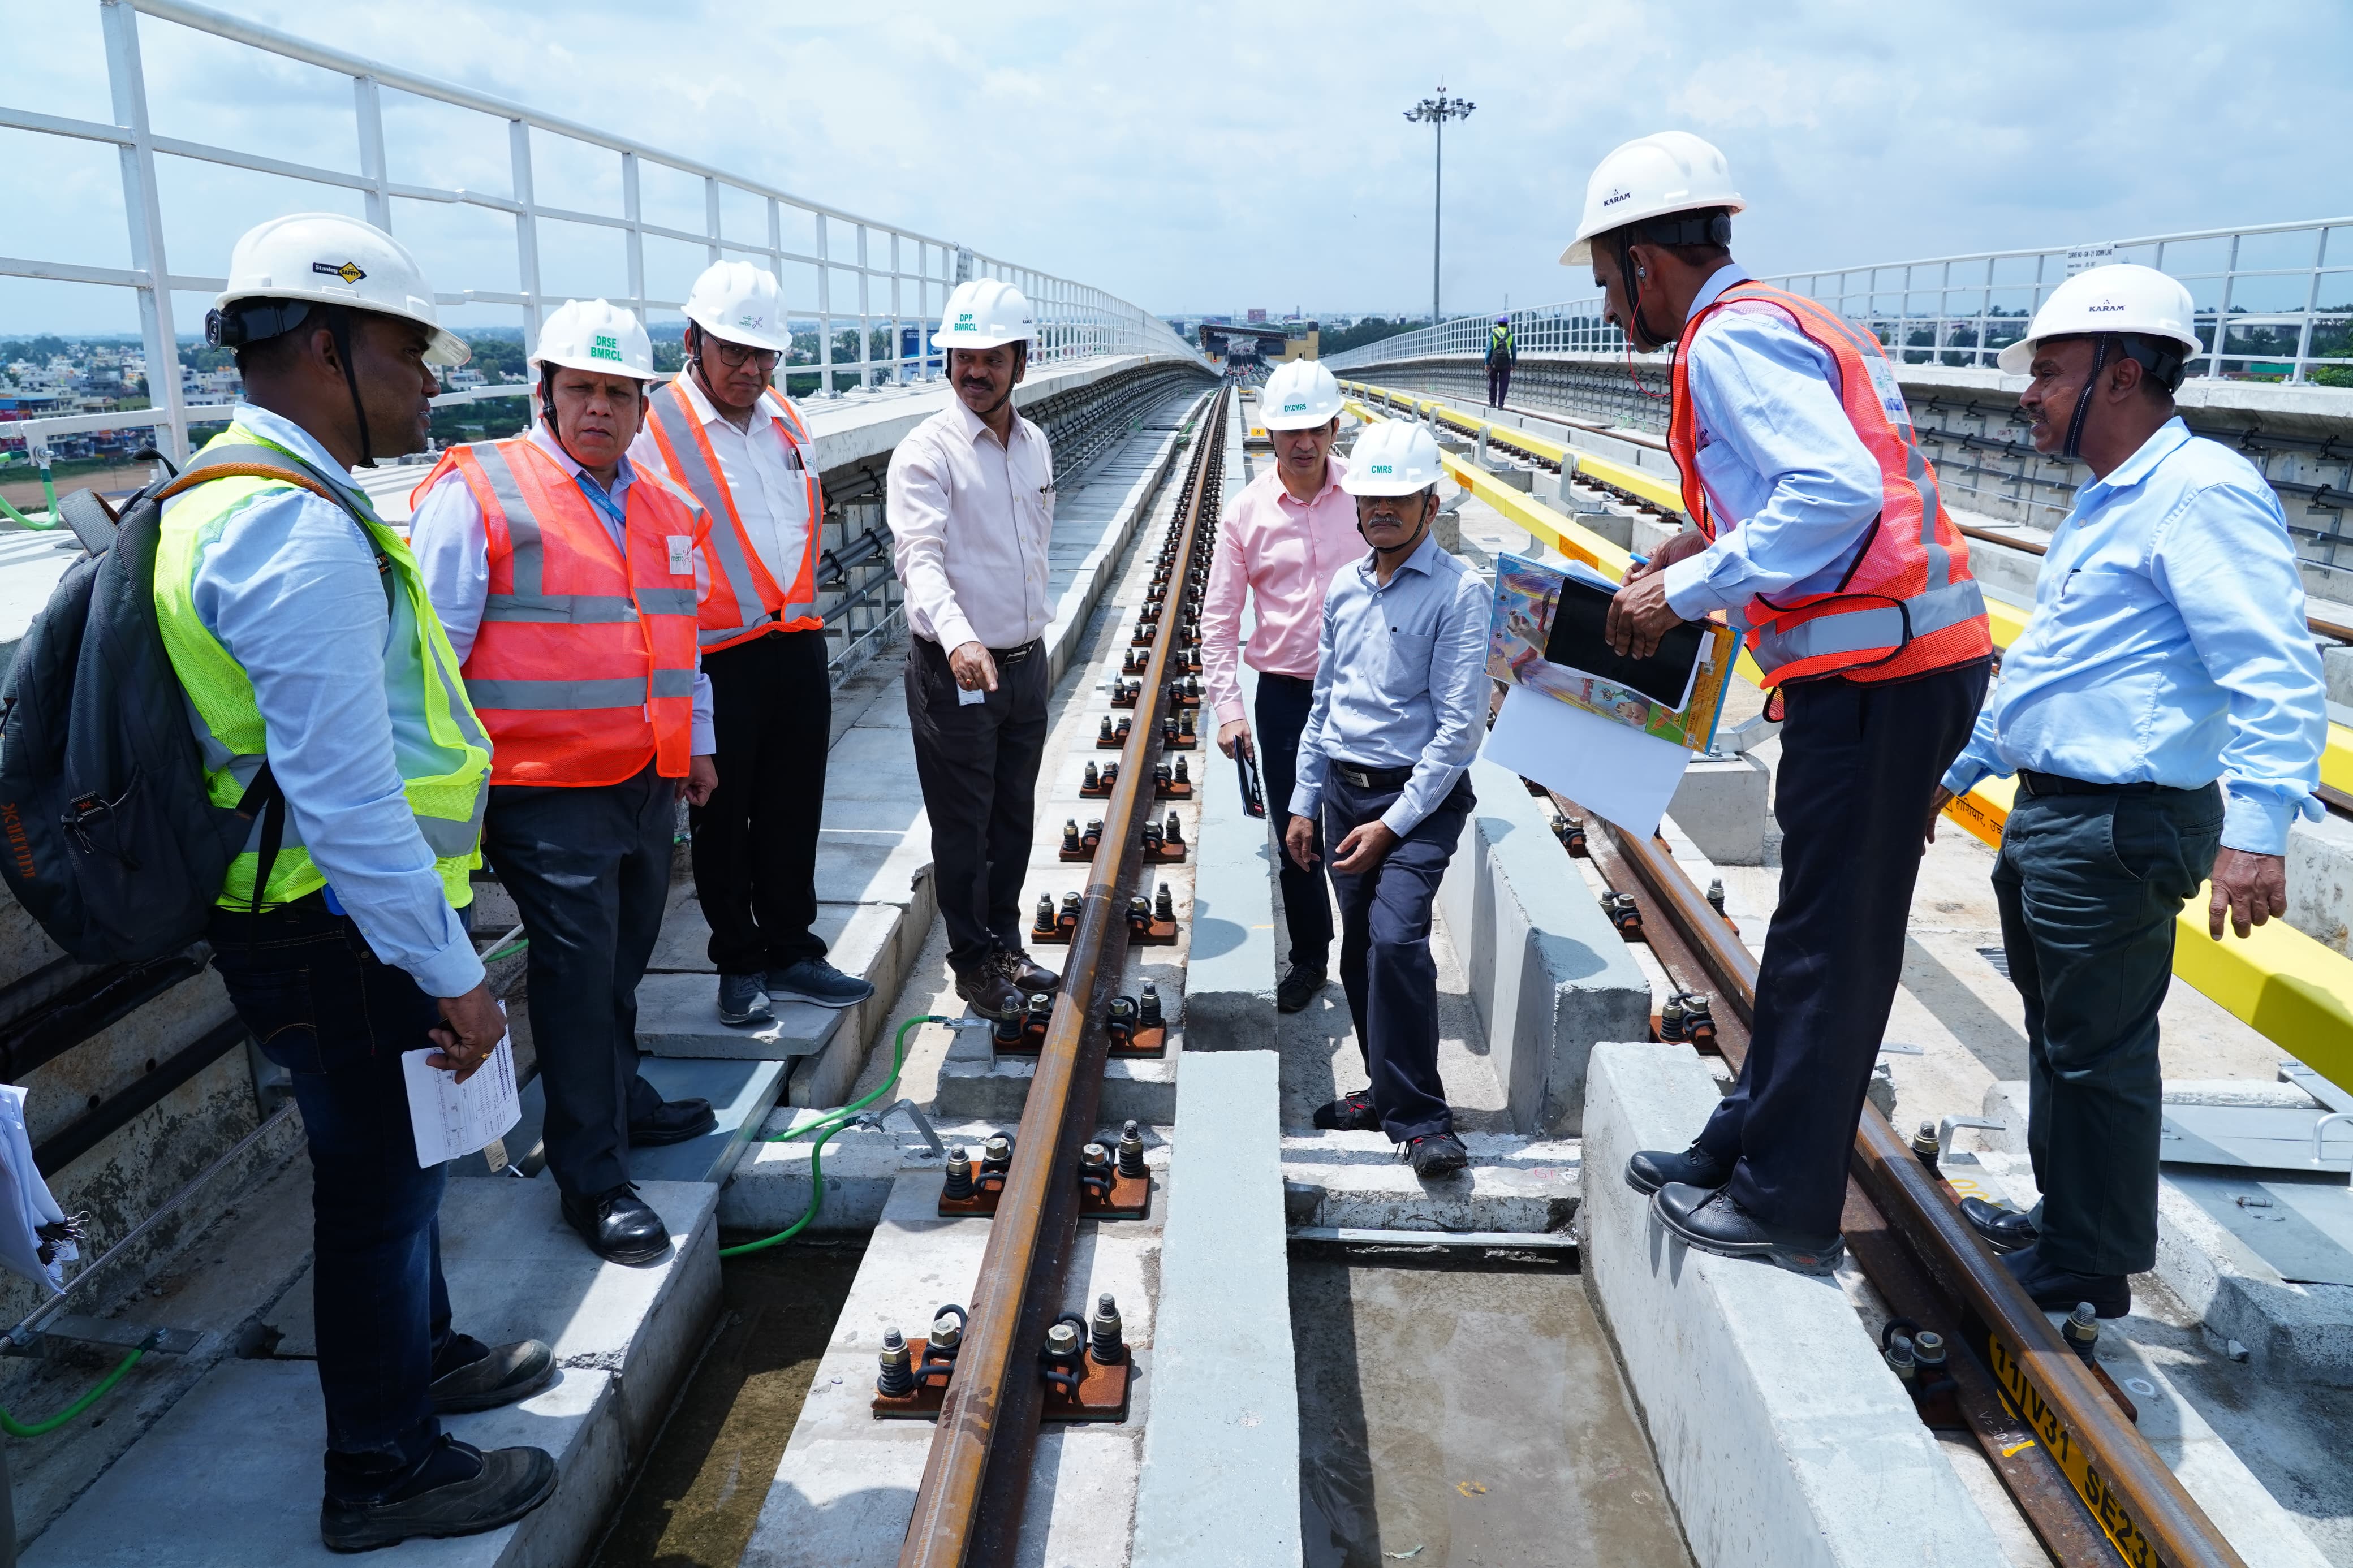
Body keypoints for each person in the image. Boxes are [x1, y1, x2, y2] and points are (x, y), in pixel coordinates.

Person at [157, 212, 555, 1550]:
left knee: (402, 1175)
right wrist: (451, 971)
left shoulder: (231, 494)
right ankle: (384, 1468)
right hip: (337, 929)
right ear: (321, 346)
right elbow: (345, 797)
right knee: (381, 1188)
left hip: (324, 919)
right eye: (408, 350)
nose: (431, 382)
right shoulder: (294, 535)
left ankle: (423, 1352)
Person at [1576, 133, 1995, 1272]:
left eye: (1607, 283)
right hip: (1886, 671)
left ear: (1643, 262)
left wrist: (1684, 590)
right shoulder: (1776, 321)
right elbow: (1802, 498)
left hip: (1885, 679)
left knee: (1831, 948)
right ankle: (1739, 1143)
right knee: (1809, 934)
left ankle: (1782, 1201)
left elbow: (1834, 490)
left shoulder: (1725, 342)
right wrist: (1704, 539)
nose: (1611, 310)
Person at [1928, 265, 2325, 1316]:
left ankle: (2092, 1259)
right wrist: (1957, 768)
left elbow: (2275, 667)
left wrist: (2260, 826)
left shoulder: (2202, 493)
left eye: (2050, 372)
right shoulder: (2111, 502)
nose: (2029, 393)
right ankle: (2072, 1224)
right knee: (2065, 1036)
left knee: (2098, 1049)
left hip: (2118, 821)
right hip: (2059, 811)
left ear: (2122, 372)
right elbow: (2052, 668)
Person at [409, 300, 721, 1267]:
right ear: (542, 391)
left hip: (642, 772)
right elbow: (430, 662)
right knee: (579, 972)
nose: (599, 409)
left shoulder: (663, 503)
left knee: (626, 950)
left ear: (643, 404)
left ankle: (617, 1092)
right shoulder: (484, 493)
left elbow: (684, 643)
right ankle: (590, 1175)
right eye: (581, 389)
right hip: (538, 785)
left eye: (618, 393)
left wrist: (696, 745)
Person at [631, 261, 874, 1027]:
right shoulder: (653, 427)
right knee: (723, 817)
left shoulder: (785, 419)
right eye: (734, 351)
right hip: (713, 656)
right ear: (692, 341)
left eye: (764, 354)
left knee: (793, 807)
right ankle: (739, 963)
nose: (750, 368)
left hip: (795, 641)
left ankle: (793, 949)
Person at [1282, 418, 1490, 1177]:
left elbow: (1459, 729)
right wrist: (1306, 801)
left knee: (1399, 939)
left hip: (1419, 799)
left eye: (1400, 499)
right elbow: (1325, 702)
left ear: (1431, 506)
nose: (1383, 512)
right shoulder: (1345, 587)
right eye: (1372, 499)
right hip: (1343, 789)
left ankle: (1424, 1119)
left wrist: (1392, 826)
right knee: (1361, 944)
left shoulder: (1460, 593)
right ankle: (1383, 1088)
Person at [889, 278, 1064, 1020]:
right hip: (955, 669)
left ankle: (1007, 943)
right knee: (964, 823)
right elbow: (918, 557)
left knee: (1012, 816)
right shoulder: (926, 454)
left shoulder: (1034, 445)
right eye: (964, 356)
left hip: (1024, 663)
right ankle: (973, 962)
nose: (976, 370)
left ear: (1021, 362)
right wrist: (961, 638)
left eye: (993, 357)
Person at [1203, 359, 1358, 1013]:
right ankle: (1308, 957)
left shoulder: (1368, 494)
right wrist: (1228, 708)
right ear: (1268, 433)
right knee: (1296, 833)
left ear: (1333, 427)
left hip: (1363, 690)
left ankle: (1372, 954)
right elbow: (1217, 618)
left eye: (1315, 429)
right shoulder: (1246, 513)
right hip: (1286, 695)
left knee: (1366, 821)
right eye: (1289, 430)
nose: (1303, 443)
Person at [1486, 314, 1516, 407]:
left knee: (1493, 382)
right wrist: (1513, 364)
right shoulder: (1510, 335)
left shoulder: (1493, 334)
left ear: (1498, 324)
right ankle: (1501, 405)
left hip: (1494, 362)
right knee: (1504, 383)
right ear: (1507, 324)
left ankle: (1492, 403)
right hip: (1506, 363)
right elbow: (1514, 350)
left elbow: (1489, 349)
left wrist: (1487, 362)